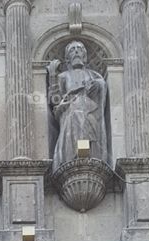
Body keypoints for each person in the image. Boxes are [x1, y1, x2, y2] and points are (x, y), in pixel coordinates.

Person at [48, 41, 107, 172]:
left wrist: (98, 85)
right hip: (69, 112)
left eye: (79, 49)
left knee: (89, 131)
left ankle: (90, 157)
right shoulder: (63, 76)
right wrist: (52, 76)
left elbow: (102, 88)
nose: (76, 52)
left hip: (90, 111)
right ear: (67, 58)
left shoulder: (94, 75)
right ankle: (72, 159)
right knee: (76, 118)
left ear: (84, 56)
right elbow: (55, 100)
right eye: (72, 50)